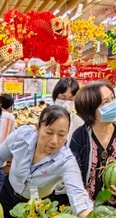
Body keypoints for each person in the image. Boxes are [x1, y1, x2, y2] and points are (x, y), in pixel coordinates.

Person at [0, 105, 94, 218]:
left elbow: (77, 193)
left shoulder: (66, 160)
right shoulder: (21, 137)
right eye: (49, 132)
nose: (54, 141)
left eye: (61, 135)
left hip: (40, 205)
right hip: (9, 194)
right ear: (38, 128)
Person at [70, 80, 116, 203]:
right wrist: (81, 195)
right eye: (106, 102)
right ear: (90, 109)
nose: (113, 105)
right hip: (86, 207)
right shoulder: (80, 136)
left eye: (113, 99)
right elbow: (73, 172)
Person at [50, 77, 85, 205]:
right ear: (55, 97)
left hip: (68, 187)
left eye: (71, 99)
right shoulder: (45, 120)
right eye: (63, 97)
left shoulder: (80, 124)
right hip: (46, 183)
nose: (66, 102)